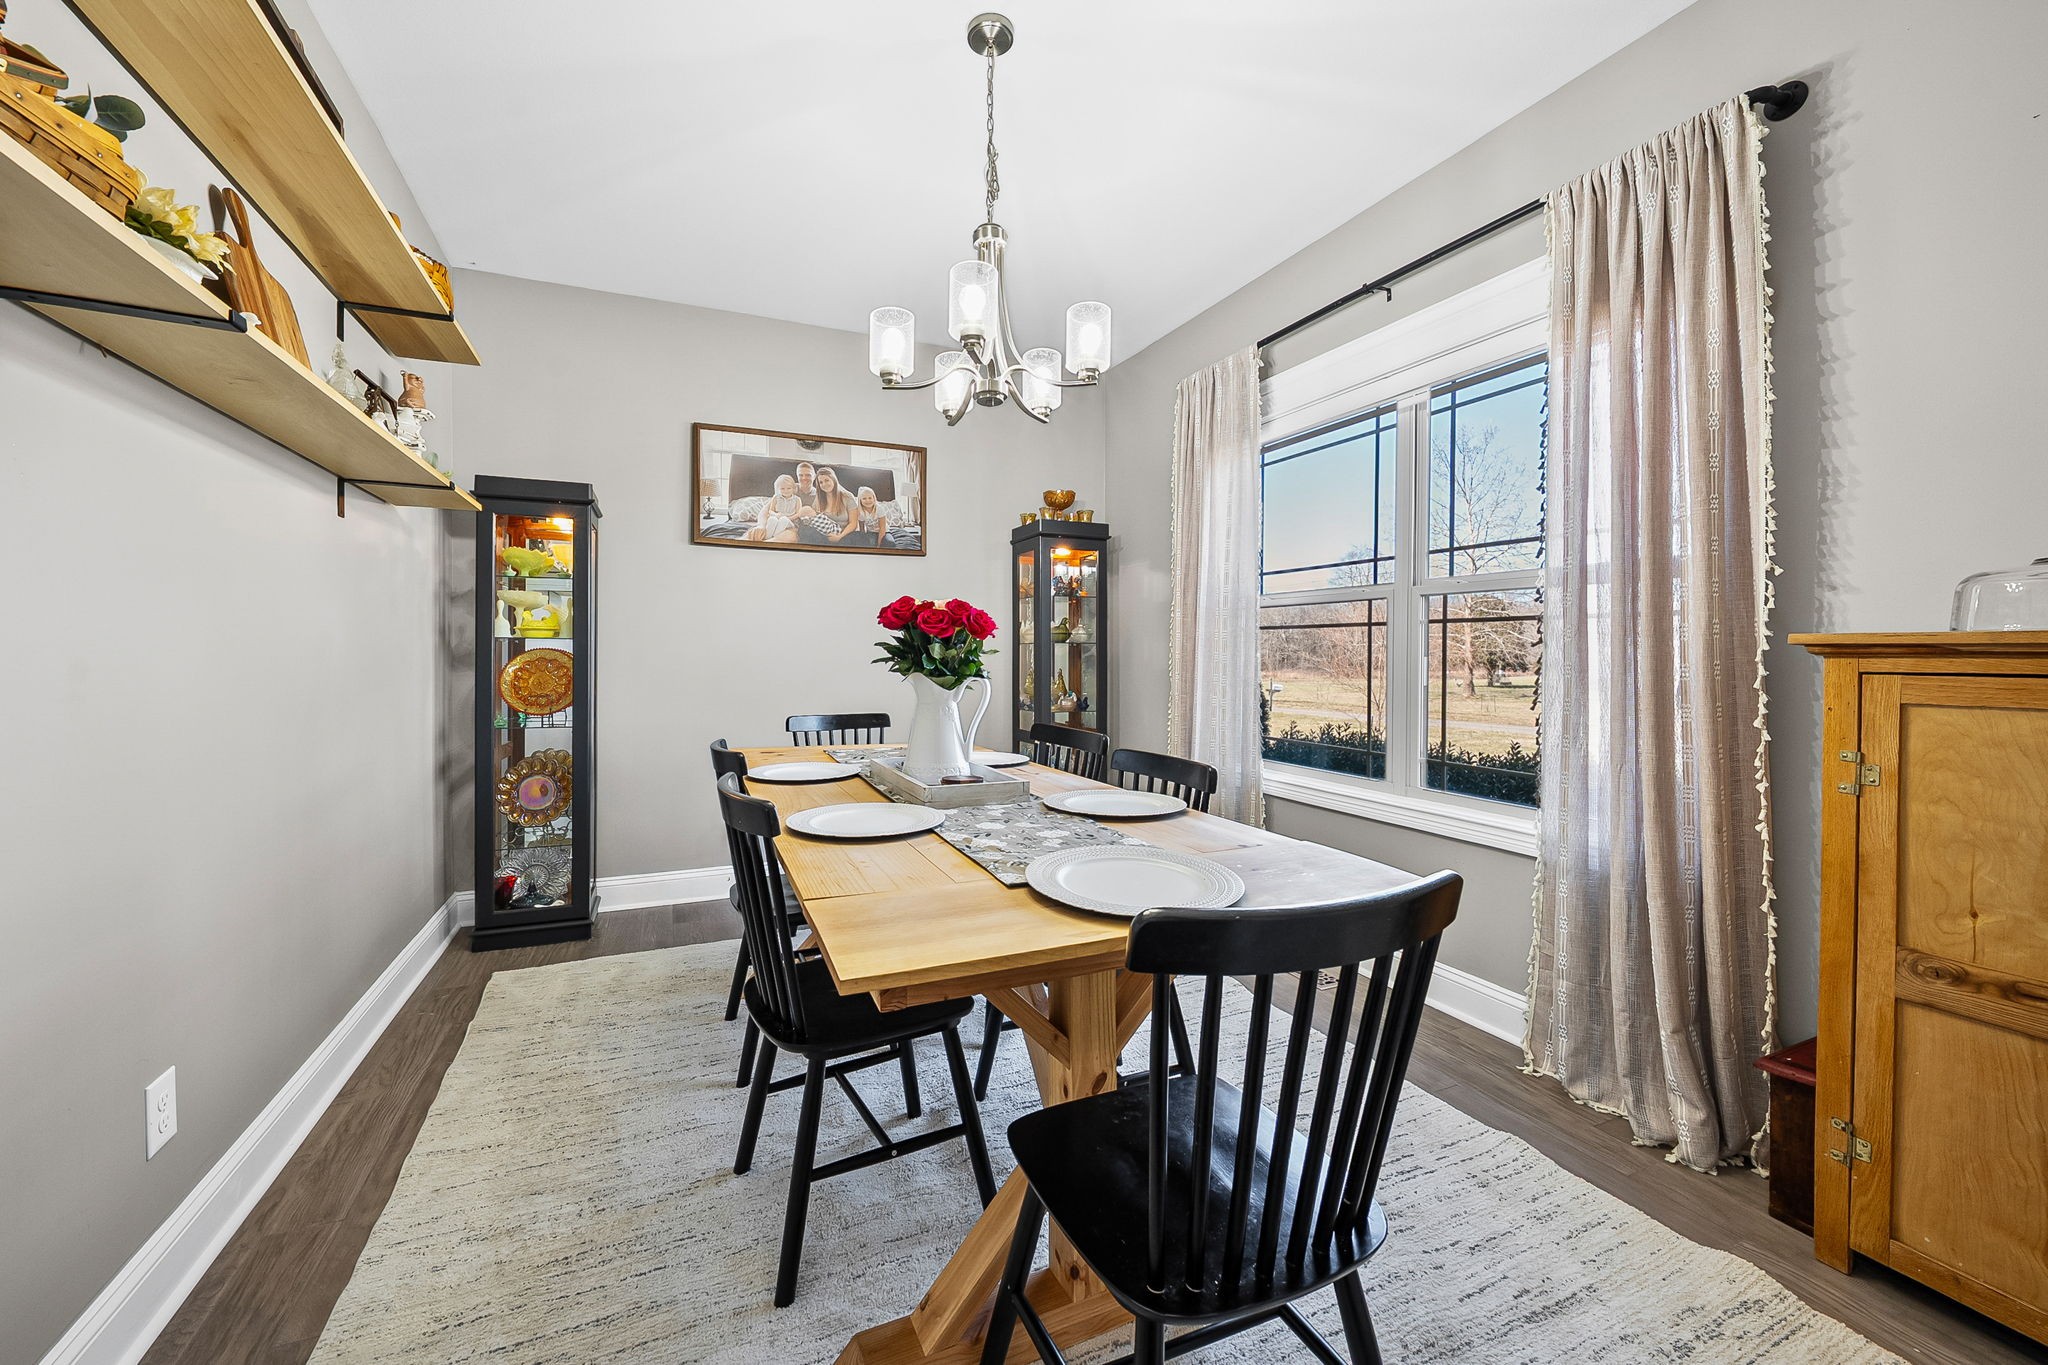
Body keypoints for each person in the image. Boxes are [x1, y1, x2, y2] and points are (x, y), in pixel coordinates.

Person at [797, 467, 858, 545]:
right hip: (823, 535)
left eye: (827, 480)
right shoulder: (819, 498)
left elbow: (853, 523)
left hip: (843, 535)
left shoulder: (847, 497)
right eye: (821, 482)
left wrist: (839, 537)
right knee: (805, 530)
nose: (824, 484)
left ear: (833, 479)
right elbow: (814, 517)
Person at [743, 473, 804, 541]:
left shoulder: (797, 499)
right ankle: (766, 537)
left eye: (788, 488)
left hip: (789, 521)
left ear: (793, 489)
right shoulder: (776, 497)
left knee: (783, 520)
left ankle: (772, 538)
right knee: (772, 519)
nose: (786, 491)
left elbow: (798, 514)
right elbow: (769, 511)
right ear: (778, 489)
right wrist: (775, 515)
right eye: (782, 489)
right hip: (777, 518)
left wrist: (787, 517)